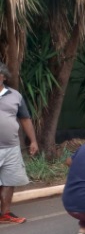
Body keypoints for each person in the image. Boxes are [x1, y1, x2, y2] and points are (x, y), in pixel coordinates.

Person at [0, 61, 38, 224]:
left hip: (11, 147)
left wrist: (33, 141)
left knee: (10, 181)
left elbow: (25, 119)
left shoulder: (15, 95)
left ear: (2, 77)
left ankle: (5, 213)